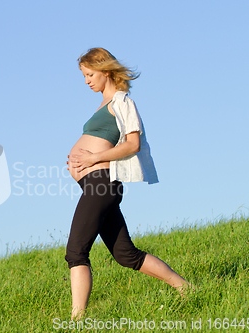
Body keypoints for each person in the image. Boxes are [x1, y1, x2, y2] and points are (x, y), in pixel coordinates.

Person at [65, 47, 190, 320]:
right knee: (126, 254)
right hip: (92, 184)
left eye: (89, 74)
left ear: (106, 71)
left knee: (76, 252)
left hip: (102, 183)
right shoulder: (102, 104)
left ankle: (77, 319)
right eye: (84, 76)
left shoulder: (122, 102)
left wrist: (94, 158)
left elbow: (132, 144)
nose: (86, 80)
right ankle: (185, 288)